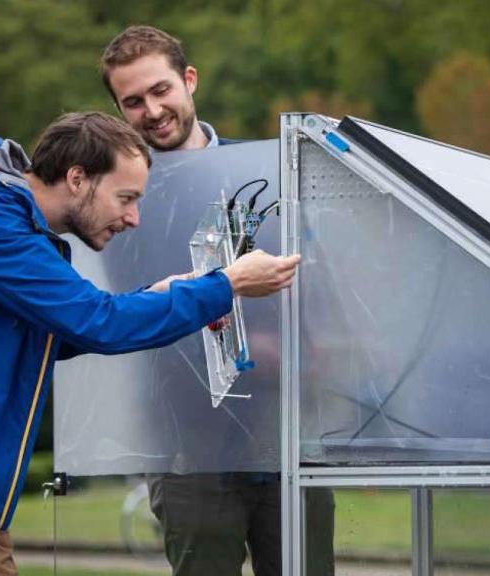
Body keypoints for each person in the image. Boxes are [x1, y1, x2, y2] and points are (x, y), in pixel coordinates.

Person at [0, 111, 300, 575]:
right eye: (126, 198)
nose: (133, 218)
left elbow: (54, 332)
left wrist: (159, 294)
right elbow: (97, 323)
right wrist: (226, 285)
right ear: (76, 179)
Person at [101, 26, 334, 576]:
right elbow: (127, 310)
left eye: (161, 90)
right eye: (133, 102)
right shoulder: (118, 198)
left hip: (285, 429)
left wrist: (303, 349)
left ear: (189, 80)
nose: (152, 111)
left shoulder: (269, 173)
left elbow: (319, 284)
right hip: (187, 442)